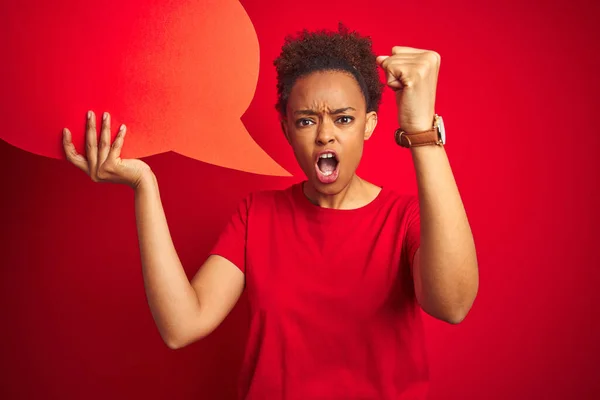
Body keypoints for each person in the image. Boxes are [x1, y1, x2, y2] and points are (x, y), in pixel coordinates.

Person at [62, 24, 479, 400]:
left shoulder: (403, 218)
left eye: (344, 118)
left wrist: (421, 130)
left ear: (369, 126)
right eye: (306, 121)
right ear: (286, 128)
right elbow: (181, 325)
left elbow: (452, 305)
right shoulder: (256, 216)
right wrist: (143, 184)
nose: (325, 134)